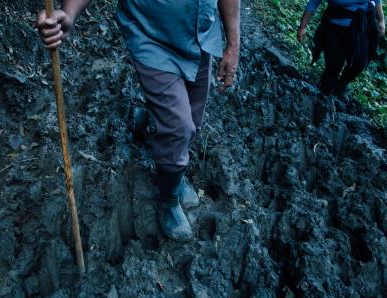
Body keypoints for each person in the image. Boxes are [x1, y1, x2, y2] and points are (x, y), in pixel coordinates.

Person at [36, 0, 241, 241]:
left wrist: (233, 44)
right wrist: (68, 14)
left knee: (193, 123)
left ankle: (174, 175)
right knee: (179, 127)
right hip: (152, 39)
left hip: (201, 36)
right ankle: (169, 199)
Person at [298, 0, 386, 96]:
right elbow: (313, 2)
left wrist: (381, 20)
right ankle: (324, 93)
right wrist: (303, 26)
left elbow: (376, 1)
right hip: (334, 26)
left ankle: (341, 84)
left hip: (360, 26)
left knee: (359, 63)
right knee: (333, 68)